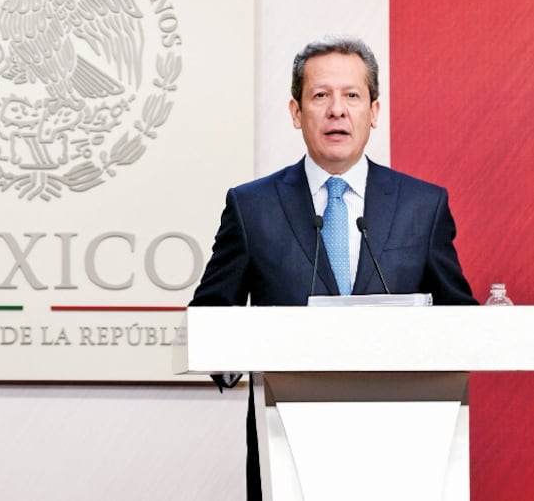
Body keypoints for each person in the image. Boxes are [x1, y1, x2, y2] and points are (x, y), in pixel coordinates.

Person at [188, 35, 476, 500]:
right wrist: (231, 358)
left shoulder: (423, 205)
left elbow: (459, 321)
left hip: (404, 446)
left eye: (352, 96)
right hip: (288, 448)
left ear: (374, 111)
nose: (336, 110)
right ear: (296, 112)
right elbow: (210, 316)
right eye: (320, 96)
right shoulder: (251, 207)